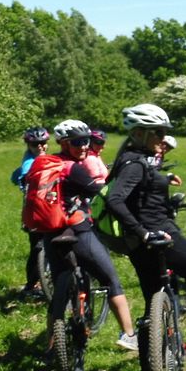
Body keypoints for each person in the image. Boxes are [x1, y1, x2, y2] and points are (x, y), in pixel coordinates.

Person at [105, 103, 186, 371]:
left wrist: (162, 180)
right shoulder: (136, 163)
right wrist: (144, 232)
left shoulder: (132, 157)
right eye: (158, 132)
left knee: (153, 307)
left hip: (140, 246)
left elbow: (139, 187)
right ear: (139, 133)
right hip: (159, 237)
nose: (163, 138)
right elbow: (115, 200)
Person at [42, 120, 138, 352]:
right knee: (110, 279)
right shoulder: (73, 168)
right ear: (63, 143)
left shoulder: (47, 163)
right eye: (77, 142)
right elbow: (103, 192)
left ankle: (51, 345)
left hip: (49, 233)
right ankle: (129, 334)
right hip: (77, 230)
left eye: (87, 141)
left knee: (59, 287)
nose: (84, 146)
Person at [10, 126, 49, 297]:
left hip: (41, 209)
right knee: (37, 248)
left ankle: (34, 283)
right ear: (29, 145)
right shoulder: (30, 163)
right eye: (35, 144)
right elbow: (25, 174)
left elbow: (14, 176)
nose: (40, 146)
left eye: (43, 143)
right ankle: (33, 284)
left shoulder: (42, 157)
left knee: (37, 247)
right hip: (36, 211)